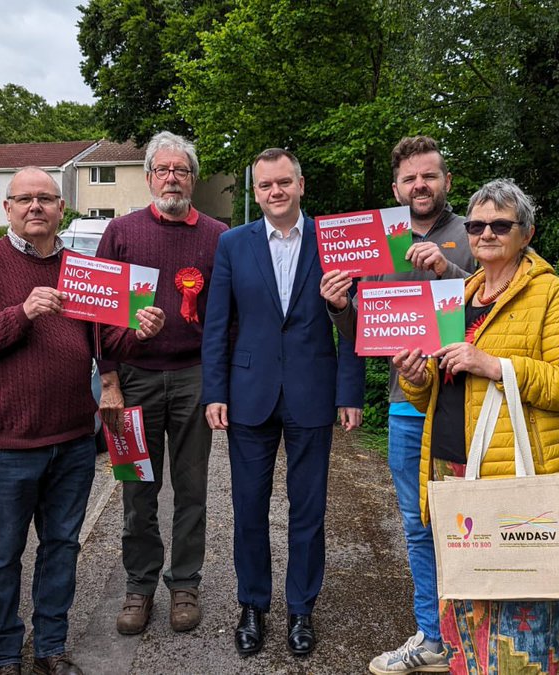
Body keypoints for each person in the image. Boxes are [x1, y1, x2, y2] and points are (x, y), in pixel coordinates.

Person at [0, 167, 165, 675]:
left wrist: (141, 330)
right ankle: (3, 655)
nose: (35, 207)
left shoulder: (82, 269)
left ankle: (50, 650)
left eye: (46, 199)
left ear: (62, 208)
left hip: (72, 439)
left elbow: (104, 343)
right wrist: (20, 314)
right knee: (1, 554)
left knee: (61, 548)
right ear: (9, 209)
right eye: (25, 199)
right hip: (8, 441)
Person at [392, 179, 559, 674]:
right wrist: (416, 379)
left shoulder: (550, 293)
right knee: (464, 609)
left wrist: (495, 364)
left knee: (519, 622)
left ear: (525, 233)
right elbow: (439, 389)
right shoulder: (458, 295)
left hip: (514, 479)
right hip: (453, 472)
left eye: (499, 224)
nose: (485, 233)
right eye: (477, 224)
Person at [319, 135, 475, 674]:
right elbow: (366, 329)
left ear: (446, 181)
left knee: (469, 520)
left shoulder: (473, 231)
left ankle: (475, 633)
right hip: (406, 403)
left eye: (429, 176)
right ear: (396, 188)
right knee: (416, 522)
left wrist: (446, 272)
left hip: (468, 405)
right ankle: (433, 637)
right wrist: (341, 305)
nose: (420, 186)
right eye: (410, 179)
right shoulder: (380, 241)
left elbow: (493, 307)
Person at [201, 148, 366, 658]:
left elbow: (354, 323)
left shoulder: (334, 241)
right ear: (256, 191)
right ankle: (252, 606)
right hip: (248, 396)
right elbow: (216, 325)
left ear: (300, 185)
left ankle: (301, 609)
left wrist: (350, 391)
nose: (276, 192)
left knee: (309, 510)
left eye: (284, 182)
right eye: (266, 185)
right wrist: (215, 391)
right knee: (248, 508)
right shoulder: (233, 243)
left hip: (312, 392)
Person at [94, 131, 228, 636]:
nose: (172, 177)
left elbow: (227, 318)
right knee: (136, 489)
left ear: (193, 178)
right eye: (163, 170)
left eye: (182, 170)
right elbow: (96, 315)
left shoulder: (218, 236)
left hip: (195, 378)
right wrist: (108, 379)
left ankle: (186, 582)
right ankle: (139, 586)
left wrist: (220, 386)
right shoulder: (122, 233)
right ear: (149, 176)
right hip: (134, 380)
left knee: (192, 490)